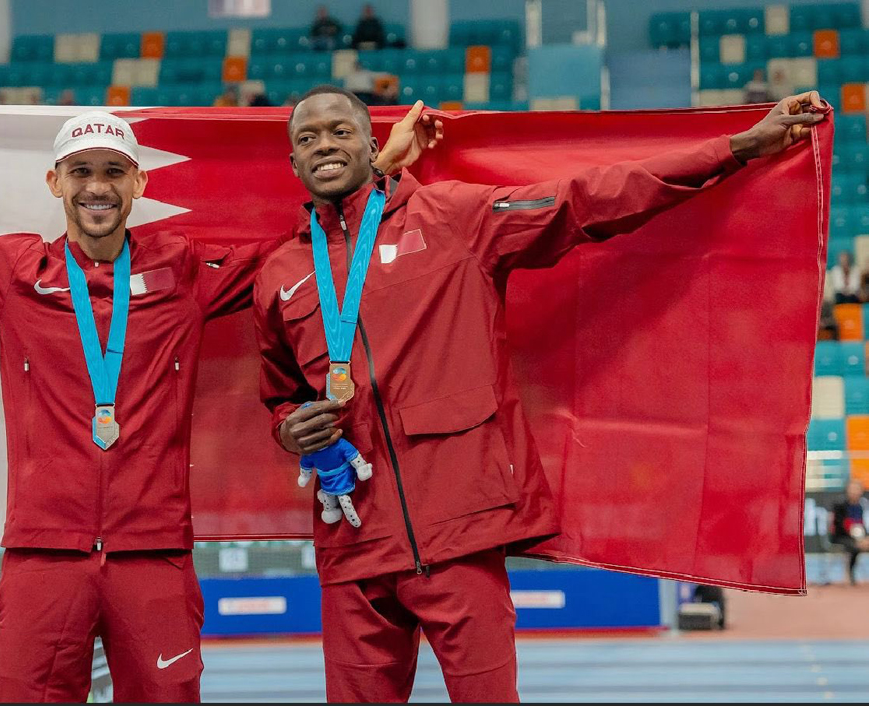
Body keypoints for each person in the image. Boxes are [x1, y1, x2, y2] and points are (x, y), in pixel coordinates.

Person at [252, 85, 825, 702]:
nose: (324, 146)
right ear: (292, 164)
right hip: (353, 545)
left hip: (460, 532)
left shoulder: (453, 219)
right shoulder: (281, 271)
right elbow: (279, 395)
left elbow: (589, 199)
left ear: (373, 144)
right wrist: (290, 428)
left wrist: (736, 148)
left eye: (340, 131)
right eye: (307, 138)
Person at [0, 107, 436, 703]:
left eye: (115, 171)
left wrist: (377, 171)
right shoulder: (14, 271)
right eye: (80, 170)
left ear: (139, 183)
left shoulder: (183, 268)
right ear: (54, 182)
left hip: (153, 555)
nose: (97, 186)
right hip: (44, 556)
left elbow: (302, 254)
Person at [830, 479, 869, 585]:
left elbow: (862, 524)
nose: (855, 492)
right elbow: (838, 525)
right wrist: (855, 537)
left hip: (857, 537)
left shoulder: (860, 506)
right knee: (855, 547)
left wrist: (865, 538)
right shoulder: (840, 504)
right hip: (840, 536)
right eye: (852, 489)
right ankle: (850, 575)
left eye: (857, 489)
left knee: (862, 544)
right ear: (847, 490)